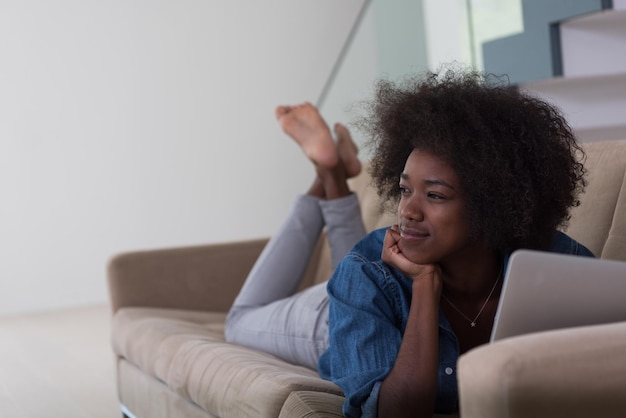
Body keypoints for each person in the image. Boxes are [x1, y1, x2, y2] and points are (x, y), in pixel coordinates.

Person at [225, 67, 594, 418]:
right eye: (405, 189)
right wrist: (423, 286)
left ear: (494, 202)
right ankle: (330, 173)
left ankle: (334, 170)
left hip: (372, 281)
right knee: (238, 323)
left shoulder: (561, 265)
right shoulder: (364, 275)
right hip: (331, 319)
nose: (407, 211)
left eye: (434, 195)